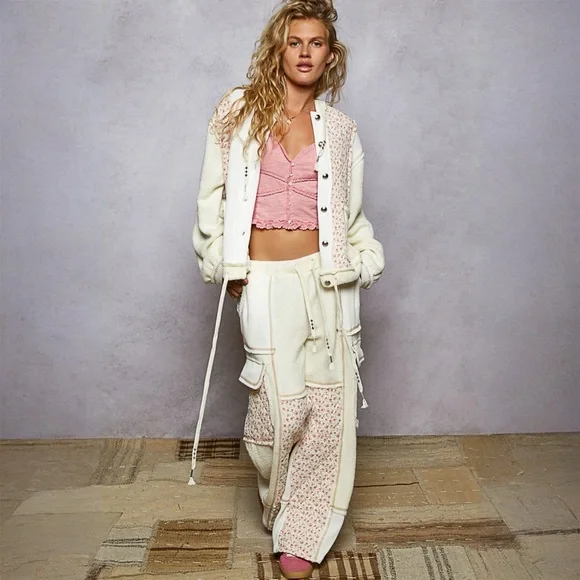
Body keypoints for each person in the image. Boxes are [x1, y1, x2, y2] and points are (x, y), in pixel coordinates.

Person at [191, 0, 384, 577]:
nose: (304, 52)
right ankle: (279, 502)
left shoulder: (341, 130)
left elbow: (350, 217)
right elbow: (211, 197)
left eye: (316, 43)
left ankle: (302, 531)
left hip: (326, 281)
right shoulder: (237, 110)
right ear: (279, 49)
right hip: (263, 278)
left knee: (328, 407)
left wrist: (365, 260)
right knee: (279, 408)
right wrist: (223, 263)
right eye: (294, 41)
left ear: (330, 55)